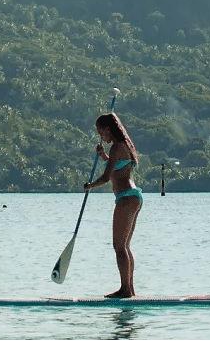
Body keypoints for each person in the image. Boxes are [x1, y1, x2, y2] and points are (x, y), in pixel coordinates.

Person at [84, 112, 142, 298]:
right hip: (132, 197)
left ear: (108, 129)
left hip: (126, 198)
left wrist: (90, 186)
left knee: (119, 247)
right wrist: (103, 156)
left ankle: (125, 289)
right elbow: (116, 165)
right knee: (124, 246)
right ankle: (129, 289)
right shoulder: (122, 146)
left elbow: (107, 176)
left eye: (100, 131)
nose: (101, 135)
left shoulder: (118, 146)